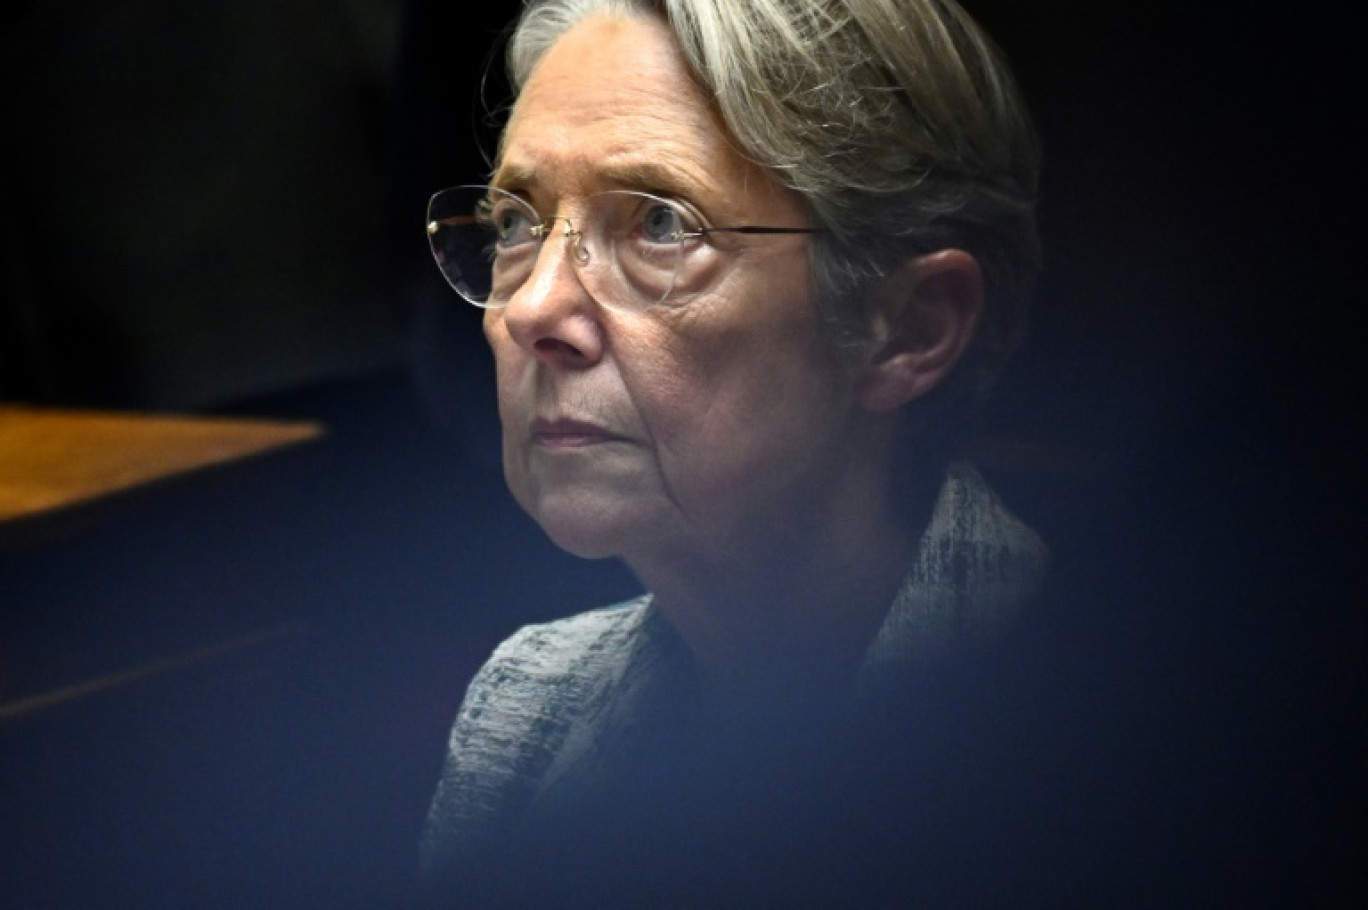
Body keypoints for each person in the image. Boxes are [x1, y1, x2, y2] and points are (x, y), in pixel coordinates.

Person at [419, 0, 1047, 904]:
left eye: (661, 226)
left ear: (908, 328)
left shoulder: (1096, 724)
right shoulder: (528, 711)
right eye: (517, 223)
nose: (529, 311)